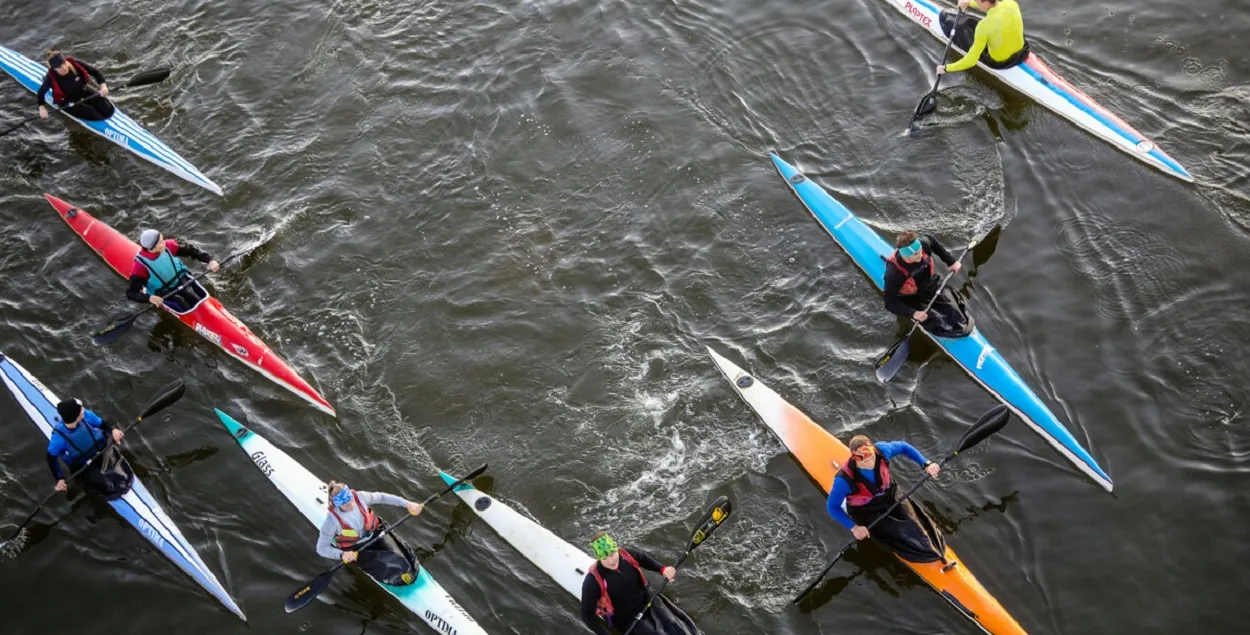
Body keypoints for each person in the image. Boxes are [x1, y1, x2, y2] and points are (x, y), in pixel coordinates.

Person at [827, 436, 948, 565]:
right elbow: (832, 507)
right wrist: (854, 528)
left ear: (874, 451)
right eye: (865, 462)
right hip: (866, 511)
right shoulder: (843, 480)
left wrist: (925, 463)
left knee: (916, 525)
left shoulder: (882, 450)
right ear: (855, 458)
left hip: (890, 495)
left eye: (872, 459)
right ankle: (924, 554)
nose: (870, 464)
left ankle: (935, 551)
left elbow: (903, 446)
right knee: (900, 533)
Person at [579, 532, 699, 635]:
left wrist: (662, 569)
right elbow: (587, 615)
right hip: (627, 619)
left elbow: (643, 558)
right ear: (599, 558)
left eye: (612, 554)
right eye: (605, 558)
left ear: (616, 549)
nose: (611, 561)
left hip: (648, 599)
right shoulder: (592, 582)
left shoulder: (627, 554)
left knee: (676, 626)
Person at [315, 482, 424, 586]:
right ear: (338, 505)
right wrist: (341, 554)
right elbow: (321, 548)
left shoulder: (360, 497)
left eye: (352, 500)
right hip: (357, 548)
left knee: (406, 558)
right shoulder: (331, 522)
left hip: (375, 534)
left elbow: (382, 497)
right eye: (347, 505)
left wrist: (407, 504)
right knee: (389, 567)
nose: (352, 504)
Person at [882, 231, 973, 338]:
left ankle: (963, 330)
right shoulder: (894, 275)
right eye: (916, 254)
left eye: (920, 251)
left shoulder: (923, 244)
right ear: (905, 255)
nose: (921, 255)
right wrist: (913, 313)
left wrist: (951, 261)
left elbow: (933, 242)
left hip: (930, 284)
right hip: (911, 297)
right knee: (934, 319)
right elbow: (890, 303)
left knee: (955, 310)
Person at [46, 399, 132, 501]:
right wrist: (59, 479)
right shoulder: (58, 439)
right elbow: (51, 459)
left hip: (102, 451)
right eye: (81, 409)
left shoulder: (86, 415)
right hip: (84, 464)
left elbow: (103, 424)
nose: (83, 409)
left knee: (120, 476)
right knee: (106, 486)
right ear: (76, 416)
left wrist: (113, 430)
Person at [125, 229, 218, 314]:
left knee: (192, 295)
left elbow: (191, 250)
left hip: (180, 279)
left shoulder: (169, 245)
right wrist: (149, 298)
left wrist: (209, 260)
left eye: (162, 239)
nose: (164, 243)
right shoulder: (140, 266)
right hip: (162, 291)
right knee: (180, 305)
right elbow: (131, 293)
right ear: (151, 249)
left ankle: (209, 314)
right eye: (160, 242)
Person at [936, 0, 1030, 75]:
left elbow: (971, 61)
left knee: (966, 33)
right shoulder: (1012, 4)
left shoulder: (983, 26)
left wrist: (946, 68)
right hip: (1022, 51)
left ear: (985, 2)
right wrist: (968, 3)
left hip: (1000, 62)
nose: (975, 2)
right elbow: (988, 4)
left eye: (976, 1)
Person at [36, 50, 115, 121]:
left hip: (82, 91)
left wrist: (103, 86)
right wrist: (42, 108)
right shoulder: (51, 77)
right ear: (54, 69)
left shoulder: (74, 64)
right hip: (66, 101)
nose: (64, 68)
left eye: (63, 63)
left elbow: (94, 72)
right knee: (90, 111)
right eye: (59, 67)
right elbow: (41, 92)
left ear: (65, 61)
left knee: (106, 106)